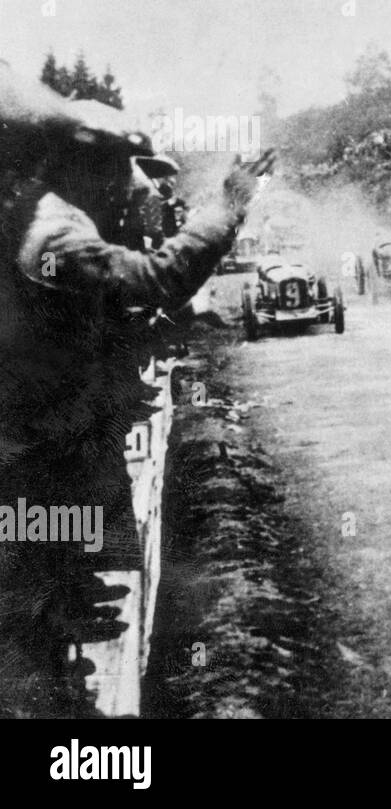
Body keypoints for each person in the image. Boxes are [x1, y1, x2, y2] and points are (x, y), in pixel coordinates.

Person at [0, 64, 262, 690]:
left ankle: (56, 618)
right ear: (85, 167)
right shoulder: (52, 232)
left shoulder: (51, 217)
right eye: (122, 169)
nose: (130, 187)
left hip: (40, 422)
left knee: (54, 532)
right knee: (23, 593)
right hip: (23, 433)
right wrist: (224, 209)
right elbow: (148, 281)